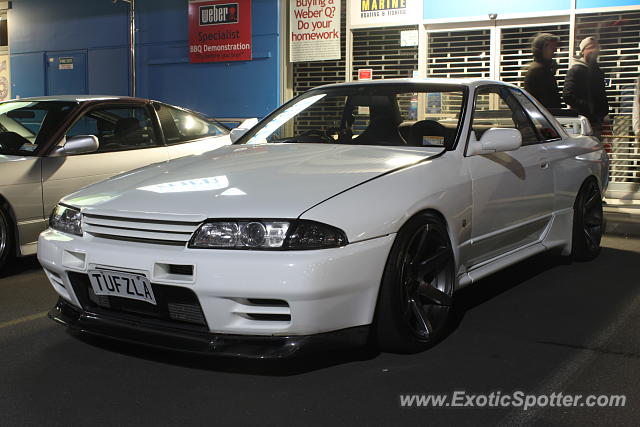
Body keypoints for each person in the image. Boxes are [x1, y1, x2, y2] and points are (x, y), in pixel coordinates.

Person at [563, 37, 610, 139]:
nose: (594, 50)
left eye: (596, 47)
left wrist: (604, 113)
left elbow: (602, 95)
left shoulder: (598, 72)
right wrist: (588, 107)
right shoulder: (576, 70)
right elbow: (567, 95)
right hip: (581, 122)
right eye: (590, 47)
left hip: (597, 122)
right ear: (583, 51)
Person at [524, 33, 562, 110]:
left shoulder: (544, 69)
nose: (554, 52)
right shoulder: (537, 70)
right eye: (552, 48)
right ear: (543, 48)